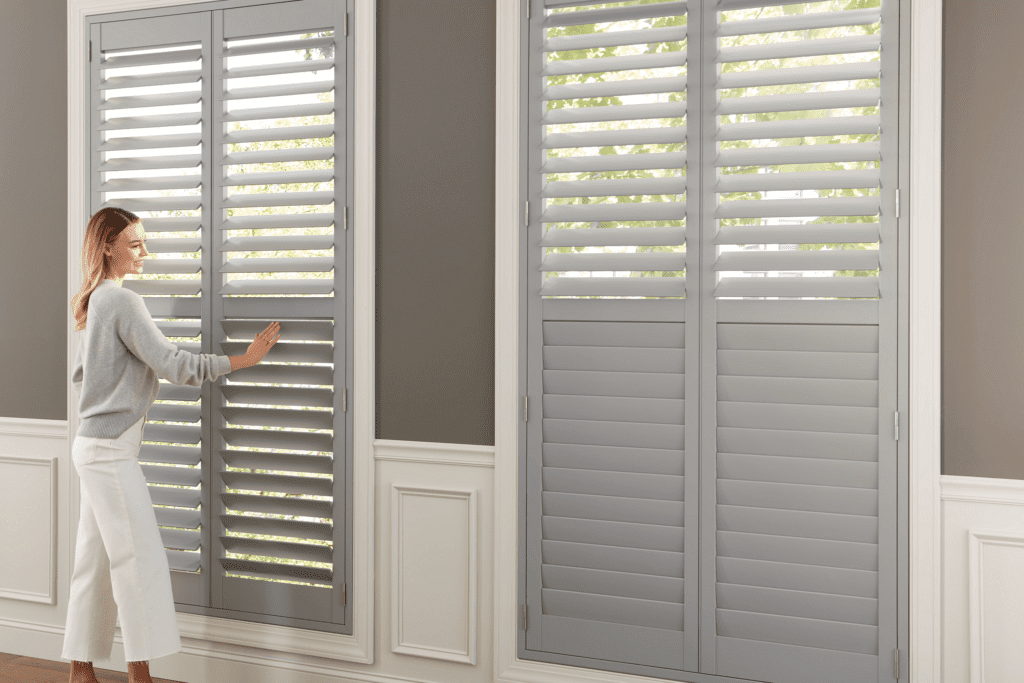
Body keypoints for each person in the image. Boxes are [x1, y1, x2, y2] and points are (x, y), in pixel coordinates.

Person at [64, 207, 280, 683]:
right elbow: (174, 364)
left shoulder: (96, 300)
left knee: (94, 560)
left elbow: (81, 376)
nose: (146, 251)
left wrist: (114, 391)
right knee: (137, 560)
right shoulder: (122, 301)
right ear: (108, 247)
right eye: (135, 243)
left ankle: (81, 670)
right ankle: (139, 674)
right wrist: (242, 360)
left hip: (93, 446)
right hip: (110, 451)